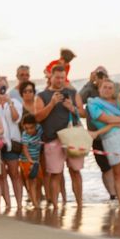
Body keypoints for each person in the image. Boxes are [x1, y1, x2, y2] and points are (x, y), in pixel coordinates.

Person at [34, 65, 85, 208]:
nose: (60, 80)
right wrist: (52, 104)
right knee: (55, 174)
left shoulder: (72, 92)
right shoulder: (42, 96)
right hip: (52, 139)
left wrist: (72, 108)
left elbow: (83, 113)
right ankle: (55, 207)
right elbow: (37, 117)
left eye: (63, 77)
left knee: (75, 171)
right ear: (51, 76)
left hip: (73, 138)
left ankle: (80, 204)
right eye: (57, 77)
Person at [86, 79, 120, 208]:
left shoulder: (119, 103)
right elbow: (104, 118)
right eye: (104, 87)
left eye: (110, 88)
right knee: (118, 172)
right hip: (109, 139)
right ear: (99, 89)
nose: (107, 90)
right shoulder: (93, 103)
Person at [0, 76, 23, 210]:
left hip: (12, 142)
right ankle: (8, 204)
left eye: (3, 85)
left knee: (14, 173)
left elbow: (16, 118)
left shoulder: (15, 101)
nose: (1, 87)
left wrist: (9, 103)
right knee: (1, 175)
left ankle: (19, 203)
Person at [20, 115, 44, 208]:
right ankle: (35, 203)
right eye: (26, 128)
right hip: (26, 161)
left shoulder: (39, 129)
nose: (29, 130)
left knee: (40, 180)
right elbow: (25, 149)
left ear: (35, 125)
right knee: (32, 181)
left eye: (31, 128)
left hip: (36, 161)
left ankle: (37, 199)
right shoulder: (25, 135)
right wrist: (30, 160)